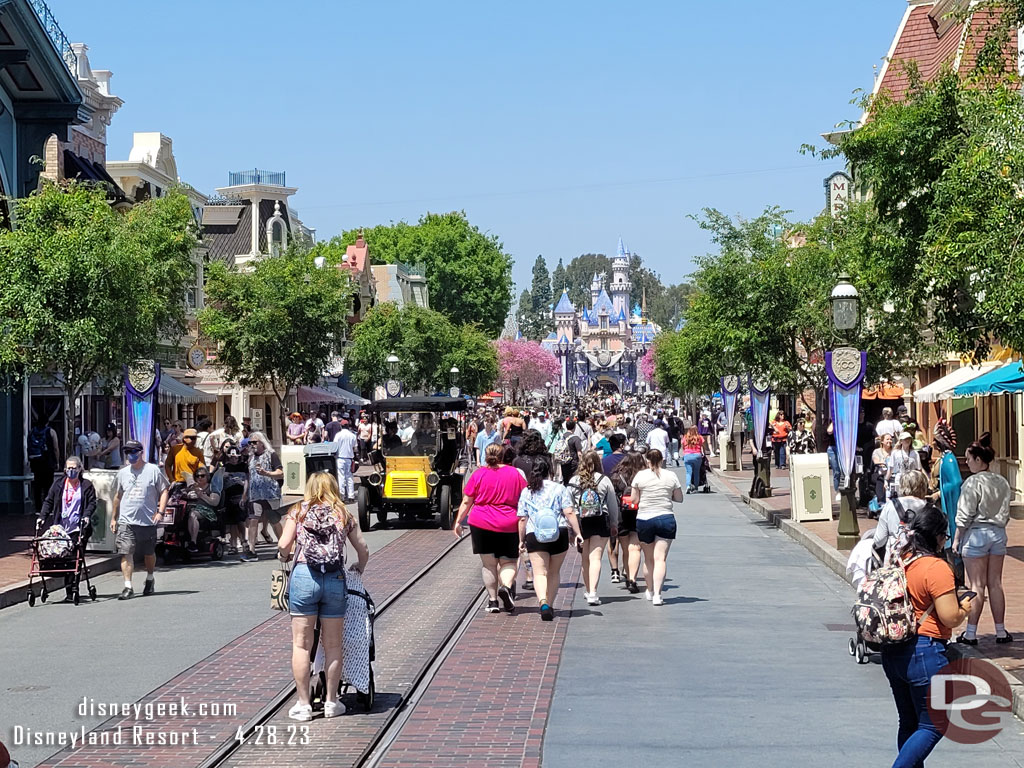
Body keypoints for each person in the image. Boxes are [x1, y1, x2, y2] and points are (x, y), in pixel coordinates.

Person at [879, 504, 972, 767]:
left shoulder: (902, 560)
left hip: (895, 651)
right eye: (944, 534)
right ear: (936, 536)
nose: (946, 540)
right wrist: (964, 608)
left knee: (909, 722)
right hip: (925, 651)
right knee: (934, 724)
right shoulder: (936, 568)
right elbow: (949, 616)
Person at [278, 472, 370, 722]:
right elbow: (362, 548)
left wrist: (284, 557)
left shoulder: (298, 511)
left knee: (301, 644)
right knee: (332, 645)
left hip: (304, 577)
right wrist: (359, 567)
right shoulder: (343, 513)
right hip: (334, 579)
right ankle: (332, 702)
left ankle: (304, 704)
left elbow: (284, 544)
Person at [954, 432, 1014, 645]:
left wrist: (957, 538)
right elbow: (1006, 511)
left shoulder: (972, 483)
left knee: (977, 585)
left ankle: (970, 633)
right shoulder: (1002, 482)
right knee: (995, 583)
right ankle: (1000, 630)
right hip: (997, 533)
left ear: (978, 459)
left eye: (969, 459)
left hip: (977, 533)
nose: (967, 462)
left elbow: (964, 514)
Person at [454, 442, 528, 613]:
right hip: (508, 523)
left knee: (488, 565)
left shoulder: (479, 474)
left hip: (481, 522)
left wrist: (458, 521)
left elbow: (467, 500)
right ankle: (506, 587)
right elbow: (525, 497)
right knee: (508, 562)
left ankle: (493, 601)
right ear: (503, 456)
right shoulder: (515, 474)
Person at [517, 454, 584, 621]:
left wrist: (521, 539)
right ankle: (551, 604)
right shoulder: (559, 488)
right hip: (558, 533)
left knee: (539, 572)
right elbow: (569, 512)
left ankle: (543, 602)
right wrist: (578, 533)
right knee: (554, 572)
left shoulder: (527, 491)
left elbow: (522, 518)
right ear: (550, 471)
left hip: (535, 534)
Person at [110, 440, 169, 600]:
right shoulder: (122, 473)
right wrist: (114, 517)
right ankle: (128, 587)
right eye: (128, 452)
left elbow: (164, 491)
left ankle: (150, 578)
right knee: (126, 552)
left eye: (134, 452)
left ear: (141, 452)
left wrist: (160, 512)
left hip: (147, 521)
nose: (131, 455)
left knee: (148, 553)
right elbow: (118, 496)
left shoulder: (153, 470)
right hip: (126, 521)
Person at [38, 455, 96, 601]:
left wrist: (87, 515)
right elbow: (48, 501)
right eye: (68, 468)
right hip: (61, 528)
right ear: (65, 469)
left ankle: (71, 590)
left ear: (80, 469)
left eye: (74, 468)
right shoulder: (59, 485)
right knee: (62, 557)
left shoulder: (86, 485)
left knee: (74, 558)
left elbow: (92, 503)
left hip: (78, 528)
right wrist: (42, 517)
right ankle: (69, 588)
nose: (71, 471)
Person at [631, 449, 683, 605]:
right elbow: (679, 498)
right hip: (665, 517)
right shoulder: (671, 476)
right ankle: (658, 595)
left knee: (648, 559)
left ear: (647, 460)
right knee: (660, 558)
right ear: (662, 460)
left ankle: (650, 589)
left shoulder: (640, 476)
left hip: (645, 518)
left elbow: (634, 499)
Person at [567, 451, 619, 605]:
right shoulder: (604, 480)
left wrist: (571, 529)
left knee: (585, 559)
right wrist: (614, 523)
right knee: (595, 557)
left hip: (580, 523)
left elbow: (568, 507)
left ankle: (588, 589)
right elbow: (612, 504)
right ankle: (593, 593)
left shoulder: (574, 480)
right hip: (600, 521)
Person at [241, 432, 283, 562]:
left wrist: (266, 473)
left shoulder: (271, 455)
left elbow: (280, 473)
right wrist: (244, 495)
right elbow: (248, 477)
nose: (252, 445)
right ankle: (252, 550)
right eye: (250, 443)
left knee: (274, 519)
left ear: (262, 442)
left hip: (270, 492)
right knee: (253, 520)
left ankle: (283, 546)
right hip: (255, 493)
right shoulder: (250, 458)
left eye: (254, 442)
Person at [872, 469, 928, 565]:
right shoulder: (929, 508)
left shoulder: (890, 506)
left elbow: (879, 540)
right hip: (922, 560)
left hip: (895, 560)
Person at [609, 451, 646, 591]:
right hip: (639, 513)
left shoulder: (616, 476)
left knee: (625, 549)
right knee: (635, 548)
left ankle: (627, 575)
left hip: (621, 514)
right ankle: (632, 579)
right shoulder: (644, 476)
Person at [219, 439, 249, 555]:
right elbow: (218, 481)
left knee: (240, 520)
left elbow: (247, 481)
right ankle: (233, 544)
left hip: (240, 496)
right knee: (231, 522)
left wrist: (244, 495)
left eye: (236, 457)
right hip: (228, 497)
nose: (234, 459)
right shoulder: (224, 467)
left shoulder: (243, 466)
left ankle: (244, 541)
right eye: (231, 457)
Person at [182, 467, 220, 552]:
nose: (200, 478)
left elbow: (215, 502)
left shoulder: (211, 487)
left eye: (202, 476)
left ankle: (193, 542)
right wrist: (186, 494)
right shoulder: (193, 487)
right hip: (192, 508)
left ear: (207, 477)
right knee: (186, 515)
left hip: (208, 511)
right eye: (197, 476)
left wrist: (202, 495)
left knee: (193, 514)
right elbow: (183, 493)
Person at [28, 415, 60, 516]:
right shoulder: (50, 431)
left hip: (36, 461)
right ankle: (48, 509)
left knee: (37, 484)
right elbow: (55, 447)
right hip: (47, 461)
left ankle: (38, 508)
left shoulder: (32, 431)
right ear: (47, 422)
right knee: (48, 486)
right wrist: (57, 461)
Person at [886, 431, 922, 500]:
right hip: (899, 479)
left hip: (911, 479)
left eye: (909, 439)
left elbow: (919, 469)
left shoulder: (915, 453)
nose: (907, 441)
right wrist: (886, 480)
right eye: (905, 439)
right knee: (900, 498)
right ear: (901, 441)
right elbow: (890, 468)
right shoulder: (895, 453)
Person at [333, 419, 358, 502]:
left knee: (341, 477)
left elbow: (335, 446)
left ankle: (342, 496)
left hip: (340, 458)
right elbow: (355, 448)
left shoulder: (338, 435)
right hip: (349, 458)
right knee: (349, 477)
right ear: (348, 426)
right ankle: (351, 496)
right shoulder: (352, 435)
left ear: (341, 426)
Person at [870, 433, 895, 512]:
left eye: (891, 439)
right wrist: (881, 463)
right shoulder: (877, 451)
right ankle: (881, 501)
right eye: (887, 439)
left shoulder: (894, 451)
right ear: (882, 441)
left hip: (892, 473)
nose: (889, 441)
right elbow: (875, 460)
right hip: (880, 473)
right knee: (880, 479)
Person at [680, 426, 704, 493]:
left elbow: (683, 446)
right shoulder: (699, 437)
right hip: (697, 455)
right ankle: (696, 487)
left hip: (687, 455)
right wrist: (702, 454)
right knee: (696, 472)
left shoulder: (685, 437)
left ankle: (688, 486)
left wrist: (684, 453)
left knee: (688, 472)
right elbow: (702, 447)